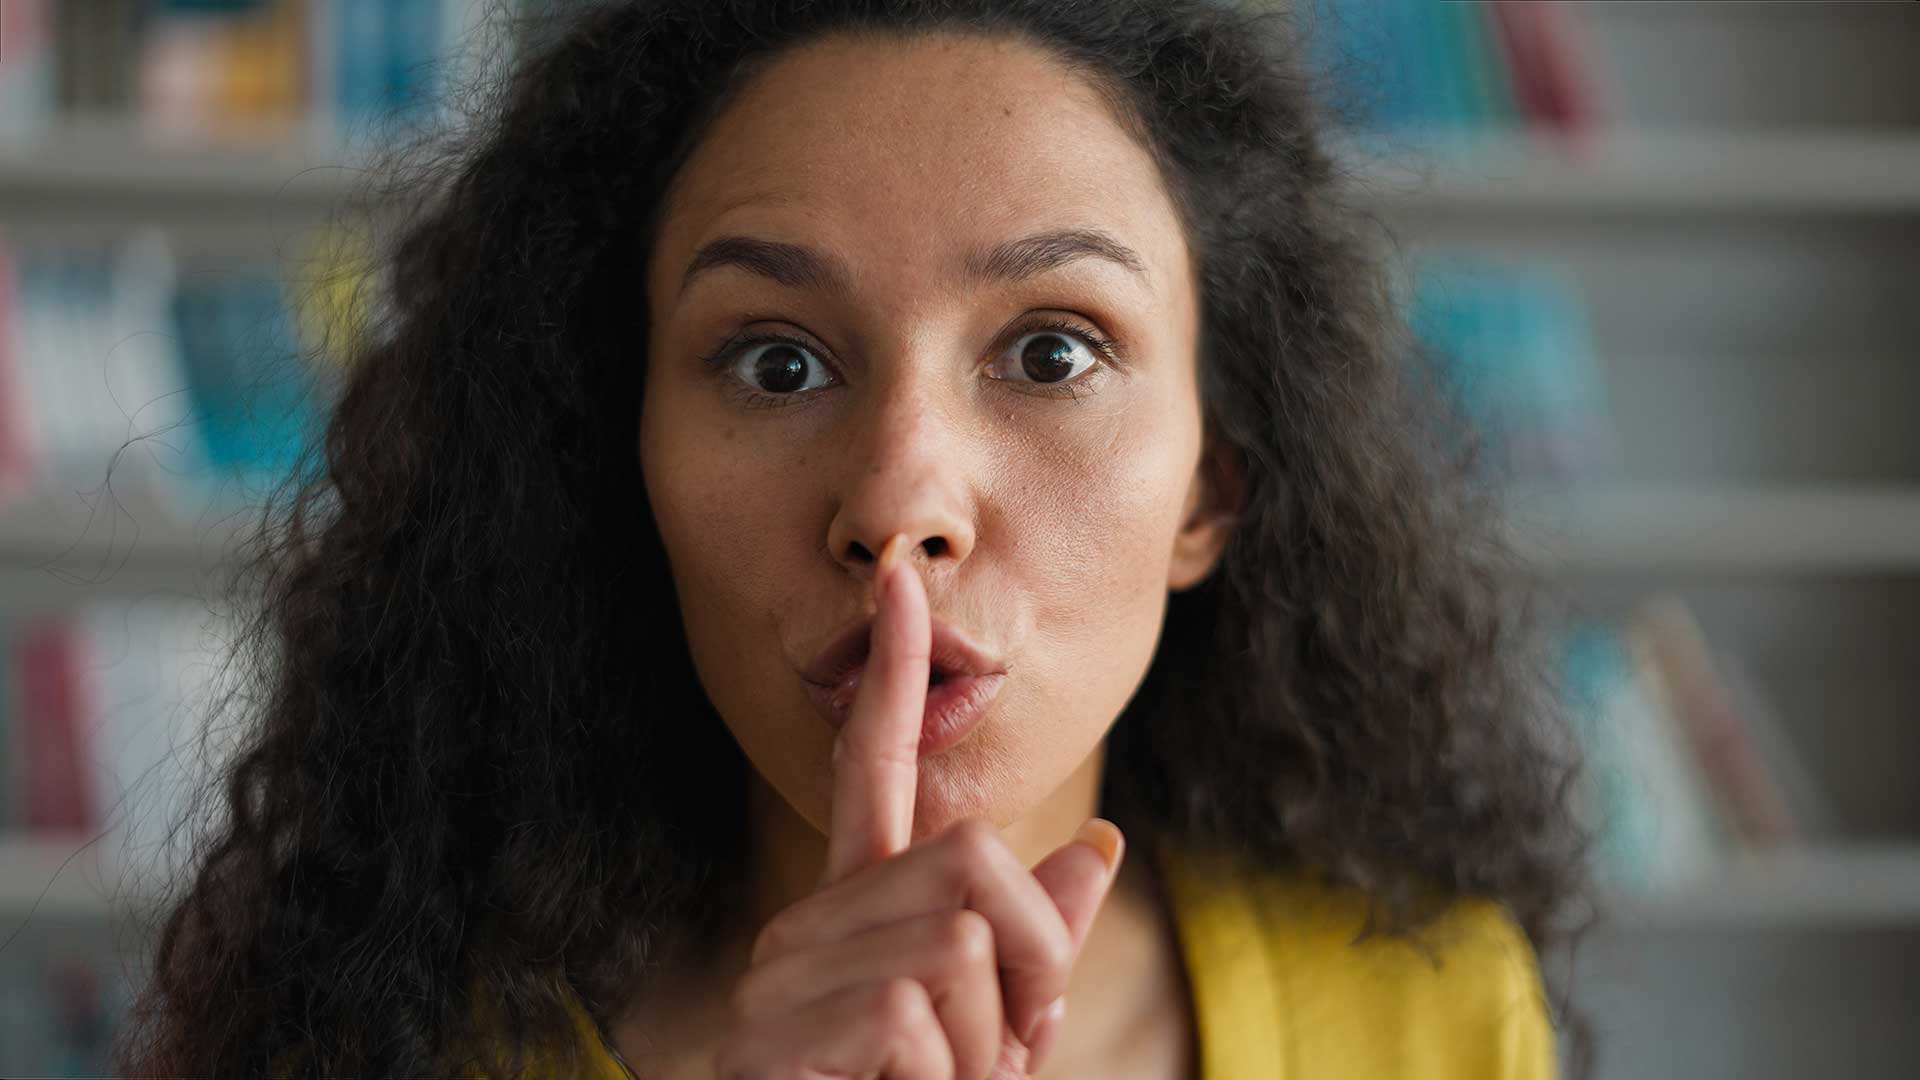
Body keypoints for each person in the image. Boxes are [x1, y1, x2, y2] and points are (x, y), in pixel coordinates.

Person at [115, 1, 1593, 1077]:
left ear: (1216, 485)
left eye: (1054, 355)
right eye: (776, 364)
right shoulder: (384, 1052)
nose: (898, 506)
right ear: (611, 457)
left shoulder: (1434, 1017)